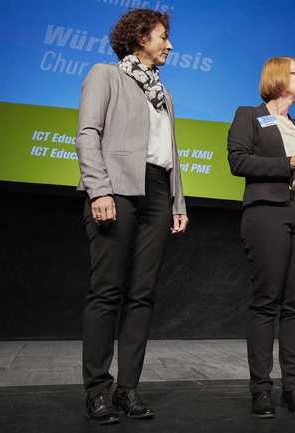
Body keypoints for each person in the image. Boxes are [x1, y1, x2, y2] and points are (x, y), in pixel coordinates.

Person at [75, 8, 188, 425]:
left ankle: (128, 390)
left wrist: (178, 203)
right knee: (107, 291)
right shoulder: (106, 75)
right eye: (163, 36)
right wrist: (98, 188)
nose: (169, 45)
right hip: (117, 187)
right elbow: (87, 133)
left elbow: (170, 154)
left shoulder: (164, 93)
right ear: (141, 37)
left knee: (142, 295)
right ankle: (97, 391)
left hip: (158, 191)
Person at [227, 56, 295, 418]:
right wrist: (289, 163)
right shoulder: (249, 114)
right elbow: (238, 162)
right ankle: (261, 389)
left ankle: (294, 387)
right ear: (279, 77)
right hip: (268, 212)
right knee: (265, 300)